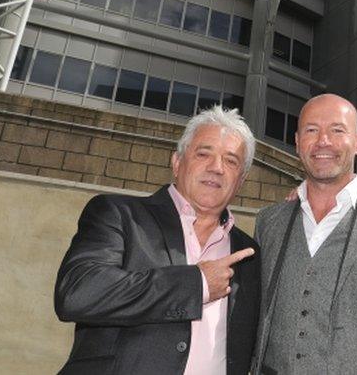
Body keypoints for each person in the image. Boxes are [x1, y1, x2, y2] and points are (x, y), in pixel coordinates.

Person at [55, 106, 260, 375]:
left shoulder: (249, 253)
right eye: (203, 153)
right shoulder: (118, 215)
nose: (217, 168)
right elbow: (77, 293)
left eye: (231, 161)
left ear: (241, 181)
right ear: (177, 163)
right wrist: (196, 284)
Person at [253, 94, 357, 374]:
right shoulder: (269, 222)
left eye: (337, 130)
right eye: (311, 130)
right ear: (297, 142)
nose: (323, 141)